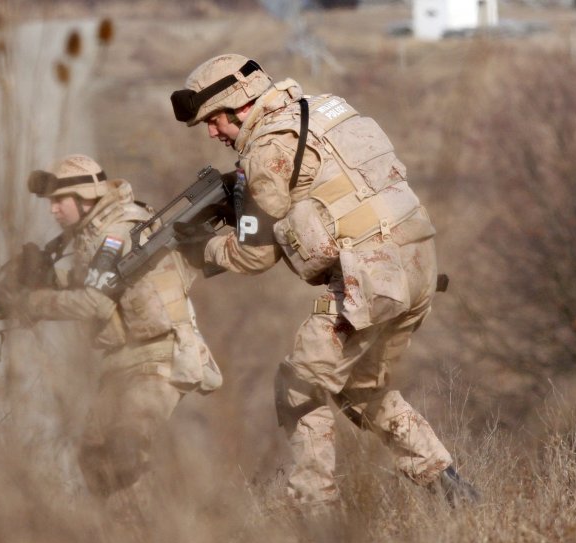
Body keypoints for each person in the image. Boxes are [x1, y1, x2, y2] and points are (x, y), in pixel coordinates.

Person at [170, 54, 477, 509]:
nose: (213, 134)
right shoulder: (326, 109)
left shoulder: (267, 150)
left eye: (213, 121)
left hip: (370, 281)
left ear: (239, 105)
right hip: (417, 269)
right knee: (361, 388)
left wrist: (199, 249)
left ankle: (315, 516)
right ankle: (454, 494)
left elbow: (253, 256)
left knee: (302, 383)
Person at [0, 154, 222, 506]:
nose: (52, 210)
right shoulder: (97, 234)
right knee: (95, 460)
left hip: (160, 356)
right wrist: (40, 281)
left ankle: (179, 532)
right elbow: (99, 284)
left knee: (124, 449)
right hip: (126, 361)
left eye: (59, 201)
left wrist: (28, 304)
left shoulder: (116, 232)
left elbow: (93, 303)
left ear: (85, 198)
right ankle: (135, 540)